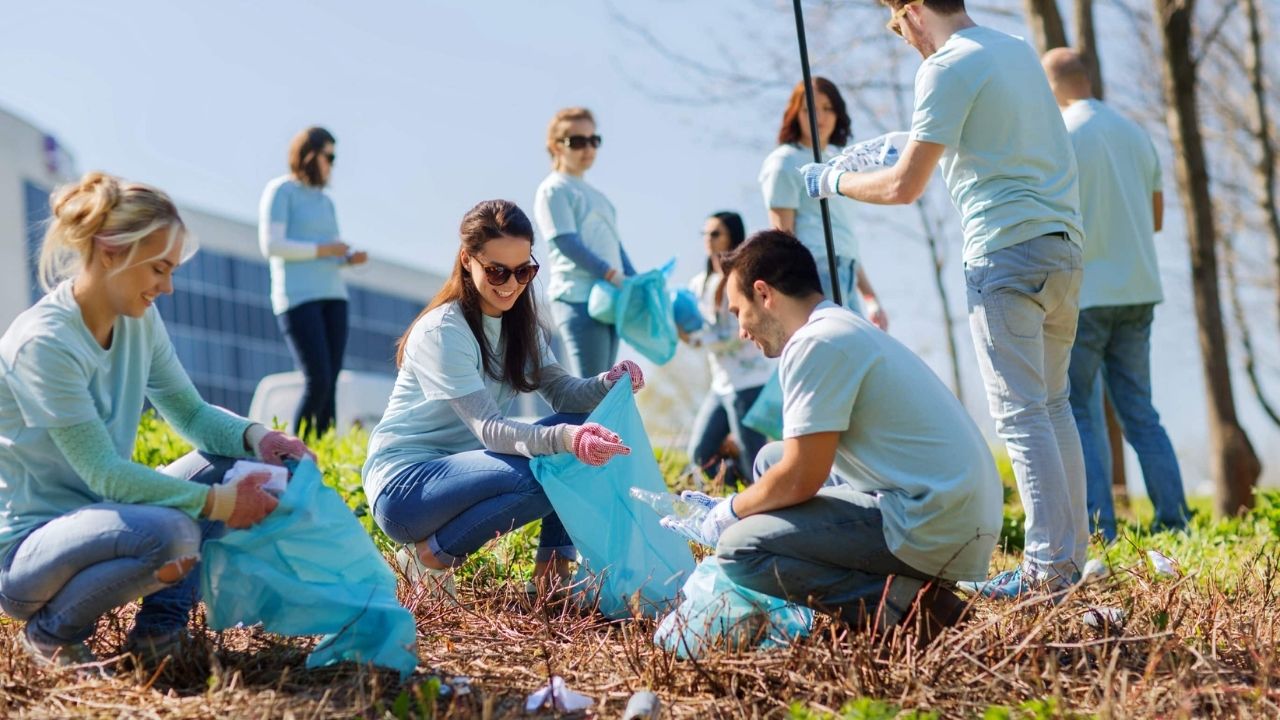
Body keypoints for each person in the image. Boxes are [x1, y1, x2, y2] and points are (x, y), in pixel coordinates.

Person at [802, 0, 1087, 600]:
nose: (906, 41)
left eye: (899, 28)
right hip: (1061, 247)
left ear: (911, 11)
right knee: (1054, 406)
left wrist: (833, 180)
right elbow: (997, 139)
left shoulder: (945, 66)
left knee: (1022, 414)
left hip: (1003, 253)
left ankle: (1045, 574)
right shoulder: (1015, 50)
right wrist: (910, 140)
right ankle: (1067, 564)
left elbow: (904, 186)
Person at [0, 172, 312, 669]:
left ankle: (158, 638)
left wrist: (260, 438)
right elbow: (104, 473)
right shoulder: (45, 342)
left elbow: (189, 413)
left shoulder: (139, 321)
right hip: (28, 552)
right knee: (174, 534)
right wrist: (221, 502)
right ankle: (51, 635)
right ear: (110, 253)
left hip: (109, 517)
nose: (166, 287)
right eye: (158, 269)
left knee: (250, 466)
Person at [668, 231, 1002, 642]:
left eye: (739, 311)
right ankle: (894, 587)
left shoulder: (815, 343)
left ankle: (914, 607)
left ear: (764, 293)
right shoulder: (838, 326)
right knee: (769, 460)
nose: (741, 331)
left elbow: (801, 478)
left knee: (740, 549)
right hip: (951, 508)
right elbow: (793, 467)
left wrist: (730, 511)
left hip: (934, 521)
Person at [363, 200, 643, 591]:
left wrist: (607, 383)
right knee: (550, 469)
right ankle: (428, 557)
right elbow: (491, 430)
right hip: (405, 490)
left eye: (523, 271)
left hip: (465, 475)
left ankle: (552, 577)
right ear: (467, 260)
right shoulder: (444, 331)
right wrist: (567, 441)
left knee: (579, 431)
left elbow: (563, 395)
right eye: (497, 271)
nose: (511, 284)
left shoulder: (521, 328)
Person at [1042, 48, 1189, 541]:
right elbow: (1156, 218)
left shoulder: (1061, 136)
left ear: (1053, 84)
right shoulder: (1135, 133)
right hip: (1139, 290)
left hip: (1086, 294)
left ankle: (1100, 529)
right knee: (1140, 413)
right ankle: (1175, 523)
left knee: (1080, 411)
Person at [259, 126, 368, 437]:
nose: (332, 164)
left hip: (334, 296)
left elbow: (330, 251)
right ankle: (297, 452)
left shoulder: (325, 202)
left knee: (330, 382)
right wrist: (324, 249)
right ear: (309, 155)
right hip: (298, 299)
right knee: (317, 380)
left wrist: (347, 258)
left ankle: (323, 453)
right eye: (328, 157)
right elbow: (272, 245)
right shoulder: (281, 191)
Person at [759, 78, 887, 327]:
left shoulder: (840, 165)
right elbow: (782, 239)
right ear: (795, 114)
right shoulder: (784, 162)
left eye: (828, 108)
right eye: (809, 109)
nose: (820, 117)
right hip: (815, 272)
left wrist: (870, 297)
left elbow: (843, 238)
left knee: (856, 346)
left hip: (847, 272)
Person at [533, 108, 636, 378]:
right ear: (556, 146)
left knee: (606, 386)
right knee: (592, 387)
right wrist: (610, 273)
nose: (588, 148)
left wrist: (634, 280)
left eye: (593, 140)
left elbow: (615, 246)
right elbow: (565, 241)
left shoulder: (599, 197)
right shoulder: (554, 189)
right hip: (577, 298)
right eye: (577, 141)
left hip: (610, 298)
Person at [683, 211, 774, 483]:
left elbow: (742, 329)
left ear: (731, 236)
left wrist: (700, 340)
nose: (708, 239)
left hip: (748, 381)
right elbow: (694, 325)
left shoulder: (743, 278)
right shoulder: (698, 283)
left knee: (753, 458)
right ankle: (741, 491)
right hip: (720, 384)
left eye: (715, 233)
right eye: (704, 233)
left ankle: (764, 497)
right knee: (700, 454)